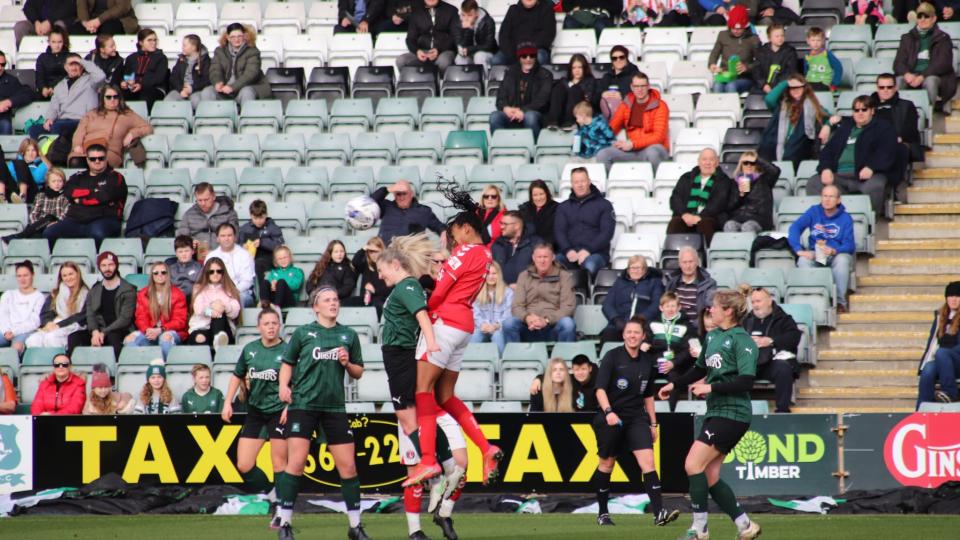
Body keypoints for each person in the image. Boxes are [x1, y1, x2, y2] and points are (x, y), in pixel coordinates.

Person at [403, 185, 504, 489]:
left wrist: (421, 310)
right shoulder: (486, 255)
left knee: (423, 390)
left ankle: (428, 458)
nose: (452, 240)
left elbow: (441, 291)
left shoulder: (464, 252)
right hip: (464, 328)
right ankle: (487, 448)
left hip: (446, 324)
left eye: (453, 233)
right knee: (445, 396)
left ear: (463, 228)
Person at [374, 233, 465, 540]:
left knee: (407, 416)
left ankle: (438, 467)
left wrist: (433, 340)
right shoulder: (409, 285)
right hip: (397, 356)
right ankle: (440, 467)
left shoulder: (407, 285)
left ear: (394, 265)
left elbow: (421, 315)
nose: (379, 275)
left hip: (400, 356)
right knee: (409, 416)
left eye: (381, 269)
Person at [658, 289, 762, 540]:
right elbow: (699, 369)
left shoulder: (742, 340)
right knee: (709, 475)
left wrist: (710, 387)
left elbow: (746, 382)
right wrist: (675, 385)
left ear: (728, 311)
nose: (710, 311)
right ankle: (745, 526)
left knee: (692, 464)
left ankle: (699, 529)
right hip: (717, 411)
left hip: (734, 413)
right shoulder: (713, 336)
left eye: (714, 307)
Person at [276, 287, 369, 540]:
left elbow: (358, 371)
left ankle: (355, 525)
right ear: (316, 307)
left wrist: (347, 363)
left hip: (335, 407)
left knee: (348, 467)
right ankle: (284, 522)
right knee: (296, 463)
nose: (333, 303)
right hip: (303, 405)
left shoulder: (348, 335)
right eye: (327, 300)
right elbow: (287, 363)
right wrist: (284, 386)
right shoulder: (303, 333)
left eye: (336, 299)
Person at [594, 315, 680, 527]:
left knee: (648, 463)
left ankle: (659, 513)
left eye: (636, 333)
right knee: (607, 464)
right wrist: (608, 412)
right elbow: (600, 389)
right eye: (629, 332)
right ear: (623, 335)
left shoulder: (647, 362)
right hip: (611, 417)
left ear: (643, 336)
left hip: (636, 418)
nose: (632, 336)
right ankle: (603, 513)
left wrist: (653, 424)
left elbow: (648, 396)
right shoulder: (612, 357)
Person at [223, 308, 289, 505]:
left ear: (279, 326)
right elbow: (237, 375)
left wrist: (289, 407)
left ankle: (283, 506)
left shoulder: (287, 351)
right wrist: (228, 402)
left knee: (279, 463)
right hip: (255, 411)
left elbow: (299, 384)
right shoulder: (250, 349)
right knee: (244, 464)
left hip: (279, 412)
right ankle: (270, 491)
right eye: (266, 323)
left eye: (274, 323)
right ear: (259, 327)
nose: (271, 327)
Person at [806, 95, 897, 214]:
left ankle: (870, 222)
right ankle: (830, 219)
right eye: (856, 110)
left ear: (872, 111)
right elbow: (828, 151)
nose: (860, 113)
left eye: (864, 109)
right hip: (839, 176)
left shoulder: (883, 127)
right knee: (814, 183)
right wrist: (826, 169)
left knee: (875, 186)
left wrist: (872, 167)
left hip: (865, 176)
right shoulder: (845, 127)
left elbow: (887, 151)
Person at [43, 143, 127, 248]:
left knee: (97, 233)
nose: (97, 161)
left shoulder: (115, 177)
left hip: (105, 218)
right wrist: (92, 192)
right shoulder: (78, 176)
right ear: (87, 160)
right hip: (76, 219)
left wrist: (80, 200)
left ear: (106, 159)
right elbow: (68, 191)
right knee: (49, 233)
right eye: (93, 159)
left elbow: (103, 196)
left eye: (101, 158)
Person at [788, 185, 855, 312]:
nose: (827, 200)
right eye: (825, 196)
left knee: (842, 261)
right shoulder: (814, 211)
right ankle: (815, 300)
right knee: (802, 260)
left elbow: (850, 245)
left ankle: (840, 301)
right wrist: (798, 250)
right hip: (816, 253)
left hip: (836, 253)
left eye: (831, 196)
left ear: (838, 200)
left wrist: (834, 251)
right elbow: (795, 228)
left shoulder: (846, 218)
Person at [742, 286, 802, 413]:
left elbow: (794, 337)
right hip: (750, 362)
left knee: (783, 368)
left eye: (759, 301)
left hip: (771, 362)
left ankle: (782, 411)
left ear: (769, 301)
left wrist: (770, 341)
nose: (755, 305)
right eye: (753, 302)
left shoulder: (783, 318)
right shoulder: (746, 320)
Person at [503, 243, 577, 343]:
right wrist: (527, 317)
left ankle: (564, 358)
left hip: (553, 327)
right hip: (528, 327)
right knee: (509, 323)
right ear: (533, 258)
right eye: (539, 257)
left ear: (553, 257)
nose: (542, 261)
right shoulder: (524, 276)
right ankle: (516, 357)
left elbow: (568, 307)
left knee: (568, 324)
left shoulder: (564, 276)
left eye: (545, 257)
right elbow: (517, 306)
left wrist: (546, 320)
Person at [597, 72, 670, 173]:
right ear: (631, 87)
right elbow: (611, 129)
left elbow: (658, 137)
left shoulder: (660, 106)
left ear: (648, 86)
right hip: (632, 150)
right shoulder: (626, 104)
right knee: (603, 154)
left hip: (655, 148)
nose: (639, 90)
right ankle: (615, 185)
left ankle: (656, 185)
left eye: (643, 86)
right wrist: (608, 140)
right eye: (636, 86)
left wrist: (633, 144)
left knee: (652, 153)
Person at [69, 84, 153, 168]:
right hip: (86, 149)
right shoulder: (92, 114)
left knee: (99, 162)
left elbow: (148, 128)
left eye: (115, 97)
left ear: (119, 98)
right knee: (76, 161)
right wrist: (77, 145)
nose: (112, 100)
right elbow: (79, 132)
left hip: (109, 152)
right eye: (108, 97)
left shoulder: (127, 115)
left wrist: (132, 134)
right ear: (103, 99)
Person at [68, 251, 136, 356]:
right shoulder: (94, 290)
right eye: (103, 265)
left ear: (116, 266)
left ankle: (115, 370)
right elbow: (90, 315)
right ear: (99, 267)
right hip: (99, 330)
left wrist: (104, 332)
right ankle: (73, 368)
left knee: (112, 337)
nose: (107, 268)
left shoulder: (128, 289)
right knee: (74, 337)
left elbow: (125, 319)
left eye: (110, 265)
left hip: (120, 330)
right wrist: (95, 332)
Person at [895, 2, 958, 113]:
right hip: (912, 74)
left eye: (926, 16)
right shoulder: (906, 38)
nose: (922, 19)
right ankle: (900, 115)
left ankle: (928, 114)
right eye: (920, 16)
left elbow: (944, 63)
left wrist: (922, 76)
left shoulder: (943, 38)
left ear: (933, 18)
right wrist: (906, 74)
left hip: (935, 76)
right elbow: (898, 62)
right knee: (899, 80)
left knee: (930, 81)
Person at [554, 167, 615, 277]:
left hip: (596, 254)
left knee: (589, 266)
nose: (580, 185)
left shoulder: (604, 205)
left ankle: (587, 294)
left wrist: (588, 251)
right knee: (554, 264)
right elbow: (559, 232)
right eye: (576, 182)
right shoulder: (563, 207)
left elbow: (607, 233)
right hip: (569, 253)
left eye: (583, 181)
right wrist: (568, 250)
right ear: (572, 184)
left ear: (589, 182)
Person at [28, 54, 105, 141]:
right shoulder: (60, 86)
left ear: (82, 66)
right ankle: (37, 153)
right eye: (71, 64)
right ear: (65, 67)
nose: (74, 67)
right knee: (34, 129)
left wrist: (82, 61)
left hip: (82, 121)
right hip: (62, 121)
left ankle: (55, 153)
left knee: (58, 127)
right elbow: (53, 107)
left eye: (77, 64)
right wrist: (49, 119)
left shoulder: (91, 81)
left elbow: (101, 76)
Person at [667, 148, 735, 245]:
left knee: (705, 224)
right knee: (676, 222)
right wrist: (684, 214)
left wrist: (700, 217)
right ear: (698, 162)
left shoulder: (723, 180)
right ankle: (674, 255)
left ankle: (707, 255)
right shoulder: (686, 178)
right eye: (704, 159)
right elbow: (675, 198)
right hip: (687, 216)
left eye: (711, 159)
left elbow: (719, 202)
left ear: (717, 162)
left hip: (711, 218)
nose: (707, 163)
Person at [759, 74, 830, 165]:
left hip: (799, 152)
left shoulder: (812, 106)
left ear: (804, 88)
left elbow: (830, 118)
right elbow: (769, 99)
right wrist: (786, 82)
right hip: (778, 147)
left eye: (798, 87)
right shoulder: (781, 106)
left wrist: (827, 126)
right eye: (792, 88)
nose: (795, 90)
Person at [125, 261, 188, 360]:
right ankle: (144, 369)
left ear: (168, 275)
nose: (160, 275)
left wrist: (161, 329)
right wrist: (147, 330)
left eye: (163, 272)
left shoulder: (178, 294)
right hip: (149, 331)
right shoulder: (143, 293)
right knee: (130, 340)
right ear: (152, 276)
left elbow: (180, 321)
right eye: (156, 273)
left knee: (165, 338)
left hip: (170, 331)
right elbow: (141, 317)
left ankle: (166, 370)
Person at [490, 42, 552, 139]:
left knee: (530, 117)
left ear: (535, 57)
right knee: (495, 117)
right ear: (519, 58)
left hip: (534, 113)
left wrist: (523, 111)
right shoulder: (510, 73)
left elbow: (542, 100)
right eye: (524, 56)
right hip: (513, 113)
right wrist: (505, 108)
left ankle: (534, 148)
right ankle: (501, 148)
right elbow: (501, 96)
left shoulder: (545, 75)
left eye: (532, 56)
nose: (528, 59)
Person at [201, 23, 272, 105]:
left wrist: (233, 87)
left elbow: (250, 74)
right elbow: (215, 69)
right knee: (207, 92)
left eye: (239, 36)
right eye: (233, 37)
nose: (236, 39)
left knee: (247, 92)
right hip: (224, 89)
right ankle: (212, 117)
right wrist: (217, 82)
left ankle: (247, 117)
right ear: (227, 38)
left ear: (244, 36)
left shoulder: (253, 51)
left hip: (244, 88)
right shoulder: (219, 51)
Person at [650, 292, 699, 411]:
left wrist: (673, 363)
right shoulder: (651, 324)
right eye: (667, 306)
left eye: (673, 306)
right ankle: (644, 412)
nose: (670, 309)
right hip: (656, 363)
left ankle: (671, 413)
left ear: (679, 307)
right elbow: (646, 343)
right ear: (661, 307)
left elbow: (688, 350)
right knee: (642, 376)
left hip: (676, 365)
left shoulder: (687, 326)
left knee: (675, 380)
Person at [600, 255, 664, 343]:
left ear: (645, 270)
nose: (635, 271)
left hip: (643, 322)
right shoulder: (619, 282)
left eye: (638, 268)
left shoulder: (654, 282)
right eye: (632, 268)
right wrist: (616, 319)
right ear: (628, 270)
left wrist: (642, 318)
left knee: (646, 336)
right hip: (620, 323)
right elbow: (607, 304)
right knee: (608, 333)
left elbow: (657, 304)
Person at [25, 262, 88, 349]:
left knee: (52, 338)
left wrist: (59, 325)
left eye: (71, 274)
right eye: (64, 275)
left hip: (75, 326)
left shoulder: (87, 294)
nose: (68, 278)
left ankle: (58, 361)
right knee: (32, 340)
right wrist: (48, 323)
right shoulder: (56, 293)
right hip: (54, 325)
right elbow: (45, 314)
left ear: (78, 274)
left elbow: (82, 316)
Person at [917, 281, 960, 406]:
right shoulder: (940, 316)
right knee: (928, 370)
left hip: (957, 360)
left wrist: (947, 353)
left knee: (942, 352)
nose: (953, 299)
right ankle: (922, 407)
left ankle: (951, 395)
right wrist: (924, 364)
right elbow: (932, 343)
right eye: (950, 296)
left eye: (957, 296)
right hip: (944, 361)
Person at [188, 257, 242, 350]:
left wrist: (224, 306)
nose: (215, 274)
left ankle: (218, 340)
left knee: (220, 315)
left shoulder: (229, 288)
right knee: (200, 338)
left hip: (224, 329)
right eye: (211, 271)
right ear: (206, 273)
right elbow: (198, 309)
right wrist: (211, 310)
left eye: (219, 271)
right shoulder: (199, 288)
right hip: (202, 327)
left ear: (223, 272)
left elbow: (235, 312)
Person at [873, 72, 924, 170]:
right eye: (882, 87)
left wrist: (892, 139)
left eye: (889, 87)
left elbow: (910, 130)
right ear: (877, 88)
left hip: (898, 142)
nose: (885, 90)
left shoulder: (907, 105)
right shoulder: (869, 106)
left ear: (895, 87)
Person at [372, 180, 446, 244]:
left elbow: (439, 226)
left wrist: (443, 232)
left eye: (404, 193)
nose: (401, 197)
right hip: (385, 254)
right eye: (398, 194)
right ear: (394, 195)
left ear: (411, 194)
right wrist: (388, 189)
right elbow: (368, 203)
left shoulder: (423, 211)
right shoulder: (386, 206)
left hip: (410, 255)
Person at [395, 0, 459, 73]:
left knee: (444, 62)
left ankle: (438, 83)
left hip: (444, 51)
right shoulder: (416, 12)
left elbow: (455, 37)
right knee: (401, 60)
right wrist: (417, 51)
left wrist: (439, 50)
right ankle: (415, 83)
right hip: (423, 51)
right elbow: (410, 39)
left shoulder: (451, 10)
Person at [723, 152, 780, 233]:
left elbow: (775, 171)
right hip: (738, 218)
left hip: (758, 219)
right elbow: (729, 207)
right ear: (741, 165)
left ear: (757, 165)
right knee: (729, 225)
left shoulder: (764, 180)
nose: (749, 165)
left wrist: (757, 159)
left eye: (752, 163)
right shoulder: (733, 182)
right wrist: (740, 195)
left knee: (748, 227)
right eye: (745, 163)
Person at [177, 183, 240, 254]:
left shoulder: (228, 212)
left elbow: (235, 238)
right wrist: (189, 243)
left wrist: (214, 253)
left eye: (206, 199)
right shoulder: (189, 214)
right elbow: (180, 239)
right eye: (199, 200)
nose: (203, 203)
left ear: (213, 196)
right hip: (196, 257)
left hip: (223, 256)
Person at [707, 5, 759, 94]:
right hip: (725, 74)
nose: (736, 31)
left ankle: (732, 107)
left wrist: (746, 68)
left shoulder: (753, 39)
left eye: (739, 29)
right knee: (717, 86)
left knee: (731, 86)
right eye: (734, 28)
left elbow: (760, 61)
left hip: (744, 77)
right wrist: (712, 64)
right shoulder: (722, 35)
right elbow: (715, 53)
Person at [206, 223, 257, 308]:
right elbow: (208, 279)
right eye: (223, 236)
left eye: (229, 235)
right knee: (204, 302)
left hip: (241, 293)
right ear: (217, 238)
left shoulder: (245, 255)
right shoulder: (211, 256)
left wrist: (231, 293)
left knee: (240, 299)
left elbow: (247, 281)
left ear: (235, 237)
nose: (226, 239)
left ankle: (237, 321)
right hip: (216, 292)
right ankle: (215, 317)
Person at [0, 260, 44, 354]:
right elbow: (3, 316)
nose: (22, 279)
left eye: (25, 275)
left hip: (25, 331)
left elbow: (35, 321)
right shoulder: (8, 294)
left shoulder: (39, 297)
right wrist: (6, 331)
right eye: (19, 276)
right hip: (6, 331)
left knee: (17, 347)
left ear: (32, 275)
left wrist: (14, 331)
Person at [664, 246, 718, 322]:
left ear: (697, 262)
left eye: (691, 261)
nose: (688, 266)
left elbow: (709, 311)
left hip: (696, 327)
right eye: (684, 262)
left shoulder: (709, 284)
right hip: (674, 324)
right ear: (680, 264)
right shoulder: (671, 281)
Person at [493, 0, 555, 66]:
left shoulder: (547, 10)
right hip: (513, 50)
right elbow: (503, 35)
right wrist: (513, 52)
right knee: (496, 60)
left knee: (540, 57)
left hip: (536, 49)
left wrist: (526, 50)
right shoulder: (513, 10)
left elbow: (548, 35)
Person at [239, 199, 285, 286]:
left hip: (268, 259)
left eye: (261, 218)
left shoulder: (273, 228)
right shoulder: (245, 228)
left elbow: (279, 245)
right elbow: (237, 244)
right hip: (248, 259)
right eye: (255, 218)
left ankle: (263, 295)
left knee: (260, 263)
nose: (258, 221)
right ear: (251, 216)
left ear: (266, 215)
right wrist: (242, 246)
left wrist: (262, 242)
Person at [471, 261, 513, 355]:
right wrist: (482, 324)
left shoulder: (508, 292)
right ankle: (469, 364)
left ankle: (501, 364)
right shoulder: (477, 292)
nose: (491, 276)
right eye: (488, 273)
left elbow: (508, 314)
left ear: (499, 275)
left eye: (494, 273)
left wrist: (496, 325)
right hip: (482, 328)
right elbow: (475, 313)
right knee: (476, 334)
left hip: (499, 329)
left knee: (497, 335)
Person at [547, 55, 599, 130]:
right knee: (558, 88)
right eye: (574, 68)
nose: (577, 70)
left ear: (584, 68)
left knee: (575, 89)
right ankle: (553, 122)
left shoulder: (590, 81)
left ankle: (570, 123)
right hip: (562, 113)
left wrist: (575, 87)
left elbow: (588, 99)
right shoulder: (564, 81)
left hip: (580, 114)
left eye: (579, 67)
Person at [120, 28, 168, 110]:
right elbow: (127, 74)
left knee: (145, 97)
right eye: (149, 40)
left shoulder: (161, 58)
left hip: (154, 88)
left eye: (155, 40)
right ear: (141, 42)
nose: (153, 43)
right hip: (134, 87)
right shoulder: (131, 58)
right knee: (120, 95)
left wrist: (140, 84)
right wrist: (125, 82)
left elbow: (158, 78)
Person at [491, 210, 541, 286]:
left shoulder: (536, 244)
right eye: (501, 223)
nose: (501, 227)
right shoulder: (497, 245)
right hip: (501, 293)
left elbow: (545, 273)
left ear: (517, 226)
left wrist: (521, 286)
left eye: (505, 224)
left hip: (528, 293)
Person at [166, 34, 210, 110]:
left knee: (195, 101)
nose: (182, 47)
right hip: (181, 90)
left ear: (193, 47)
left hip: (197, 90)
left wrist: (191, 88)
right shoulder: (181, 60)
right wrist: (181, 89)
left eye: (184, 45)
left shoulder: (205, 61)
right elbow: (173, 78)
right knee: (168, 101)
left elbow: (206, 80)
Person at [20, 167, 66, 238]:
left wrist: (55, 224)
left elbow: (65, 215)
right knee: (36, 235)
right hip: (39, 228)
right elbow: (33, 215)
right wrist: (41, 226)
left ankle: (18, 236)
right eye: (53, 181)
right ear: (48, 183)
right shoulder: (41, 195)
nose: (57, 184)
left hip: (56, 228)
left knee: (50, 218)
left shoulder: (66, 196)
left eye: (60, 181)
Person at [752, 24, 798, 94]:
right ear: (769, 38)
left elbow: (790, 71)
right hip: (763, 87)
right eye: (777, 36)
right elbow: (757, 71)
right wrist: (764, 85)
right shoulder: (761, 51)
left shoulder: (790, 51)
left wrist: (777, 87)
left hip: (782, 87)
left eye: (782, 35)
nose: (780, 38)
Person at [597, 45, 639, 119]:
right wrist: (602, 94)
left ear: (626, 58)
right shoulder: (607, 76)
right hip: (608, 112)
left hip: (629, 113)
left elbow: (639, 93)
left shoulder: (634, 74)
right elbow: (597, 92)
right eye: (614, 58)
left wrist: (622, 96)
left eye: (621, 57)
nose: (618, 60)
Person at [351, 237, 389, 317]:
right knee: (345, 303)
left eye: (376, 251)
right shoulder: (366, 266)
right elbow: (355, 261)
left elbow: (390, 289)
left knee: (377, 305)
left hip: (380, 299)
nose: (373, 255)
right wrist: (364, 248)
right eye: (371, 252)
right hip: (364, 299)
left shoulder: (387, 267)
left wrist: (374, 291)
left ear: (382, 251)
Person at [0, 52, 35, 136]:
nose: (0, 67)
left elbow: (28, 94)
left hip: (2, 120)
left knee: (5, 125)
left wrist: (9, 102)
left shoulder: (10, 80)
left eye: (3, 64)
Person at [6, 139, 50, 203]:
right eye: (27, 150)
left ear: (38, 152)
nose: (30, 153)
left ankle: (22, 197)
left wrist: (24, 173)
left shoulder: (42, 163)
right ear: (23, 152)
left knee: (21, 164)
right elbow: (9, 177)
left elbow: (37, 178)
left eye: (33, 150)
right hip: (15, 193)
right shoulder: (15, 163)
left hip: (33, 192)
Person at [455, 0, 496, 69]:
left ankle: (483, 78)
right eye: (463, 15)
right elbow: (460, 45)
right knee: (459, 58)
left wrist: (470, 49)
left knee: (479, 56)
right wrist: (468, 30)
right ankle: (465, 79)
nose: (466, 18)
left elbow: (489, 46)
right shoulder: (459, 22)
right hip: (469, 53)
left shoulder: (488, 21)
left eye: (470, 15)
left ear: (477, 13)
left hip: (486, 53)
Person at [518, 180, 558, 248]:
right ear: (531, 196)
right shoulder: (525, 209)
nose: (539, 198)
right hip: (528, 247)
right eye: (535, 195)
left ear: (547, 193)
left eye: (541, 194)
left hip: (549, 247)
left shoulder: (557, 208)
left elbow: (556, 234)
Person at [803, 27, 842, 92]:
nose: (816, 43)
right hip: (809, 82)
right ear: (808, 41)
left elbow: (838, 68)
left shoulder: (827, 54)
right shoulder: (807, 56)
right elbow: (806, 71)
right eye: (813, 40)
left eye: (818, 40)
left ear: (823, 41)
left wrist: (834, 84)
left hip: (823, 83)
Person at [35, 26, 69, 99]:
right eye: (53, 42)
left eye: (60, 42)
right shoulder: (42, 58)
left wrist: (55, 87)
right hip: (46, 92)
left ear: (64, 42)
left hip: (66, 92)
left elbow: (69, 76)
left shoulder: (70, 57)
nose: (57, 45)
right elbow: (39, 76)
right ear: (49, 42)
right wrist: (43, 88)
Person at [166, 235, 203, 300]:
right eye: (180, 251)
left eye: (186, 251)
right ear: (176, 254)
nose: (184, 254)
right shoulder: (171, 269)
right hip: (174, 300)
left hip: (193, 300)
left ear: (193, 251)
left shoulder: (199, 267)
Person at [623, 0, 691, 27]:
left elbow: (654, 16)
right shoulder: (626, 1)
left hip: (648, 24)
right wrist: (631, 6)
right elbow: (622, 17)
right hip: (631, 24)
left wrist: (642, 6)